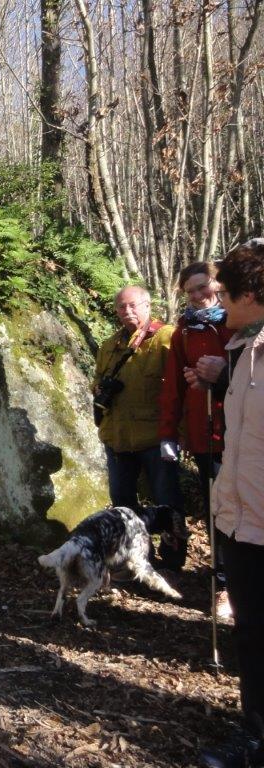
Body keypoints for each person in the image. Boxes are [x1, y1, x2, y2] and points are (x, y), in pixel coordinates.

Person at [199, 240, 264, 768]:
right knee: (253, 635)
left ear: (255, 291)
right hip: (243, 524)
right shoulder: (243, 350)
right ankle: (255, 734)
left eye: (226, 290)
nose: (217, 299)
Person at [159, 262, 235, 578]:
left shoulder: (239, 323)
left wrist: (219, 376)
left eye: (203, 286)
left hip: (238, 431)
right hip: (202, 432)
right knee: (214, 502)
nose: (197, 295)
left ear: (217, 284)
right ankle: (222, 569)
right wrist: (168, 433)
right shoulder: (184, 332)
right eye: (190, 291)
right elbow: (172, 386)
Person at [94, 286, 184, 525]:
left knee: (167, 501)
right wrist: (101, 388)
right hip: (117, 437)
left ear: (147, 305)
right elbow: (96, 382)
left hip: (155, 437)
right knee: (122, 503)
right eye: (121, 306)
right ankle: (134, 555)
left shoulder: (166, 338)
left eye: (133, 305)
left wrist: (179, 433)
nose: (127, 310)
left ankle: (173, 558)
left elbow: (182, 386)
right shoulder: (109, 345)